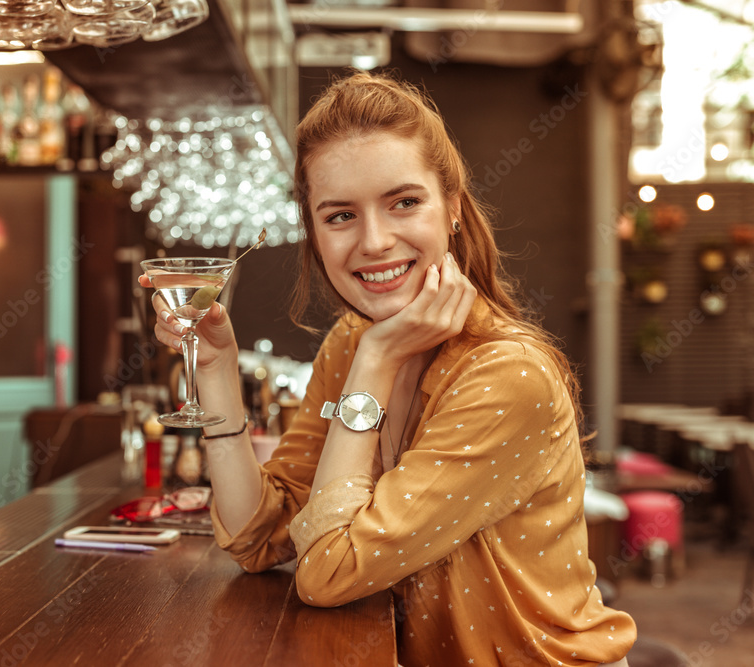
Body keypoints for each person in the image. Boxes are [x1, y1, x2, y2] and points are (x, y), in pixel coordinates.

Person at [142, 70, 636, 666]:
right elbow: (256, 536)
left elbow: (327, 573)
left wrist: (376, 360)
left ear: (452, 208)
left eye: (404, 202)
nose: (374, 241)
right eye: (340, 215)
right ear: (316, 232)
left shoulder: (505, 375)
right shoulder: (353, 339)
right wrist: (216, 370)